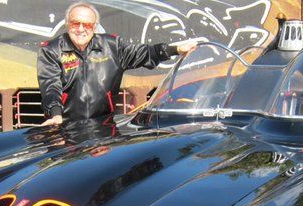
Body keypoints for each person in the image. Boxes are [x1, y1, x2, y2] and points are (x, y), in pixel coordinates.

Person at [37, 2, 196, 126]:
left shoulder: (112, 46)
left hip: (103, 126)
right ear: (67, 24)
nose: (80, 29)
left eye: (87, 25)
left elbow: (144, 52)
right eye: (75, 23)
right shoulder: (51, 50)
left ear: (94, 26)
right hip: (65, 126)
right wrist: (55, 114)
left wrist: (176, 49)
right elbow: (50, 85)